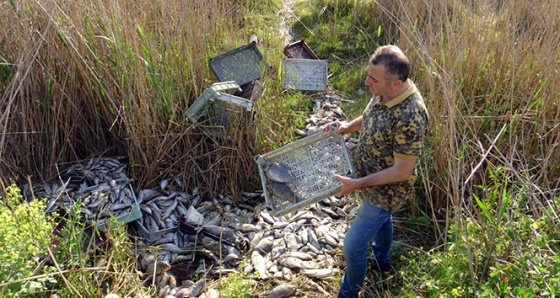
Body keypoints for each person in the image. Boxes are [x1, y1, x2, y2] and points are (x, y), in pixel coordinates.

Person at [323, 45, 429, 298]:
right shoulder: (382, 90)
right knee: (384, 222)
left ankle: (348, 293)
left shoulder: (411, 115)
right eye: (368, 75)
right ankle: (382, 260)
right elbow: (370, 115)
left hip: (385, 192)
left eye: (373, 79)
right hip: (366, 179)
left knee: (352, 247)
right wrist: (349, 126)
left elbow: (402, 171)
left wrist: (357, 184)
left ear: (396, 84)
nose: (367, 82)